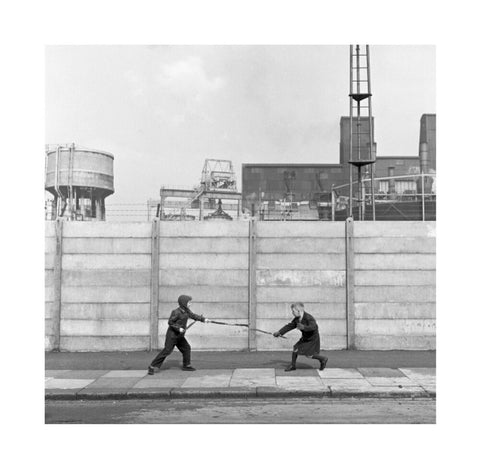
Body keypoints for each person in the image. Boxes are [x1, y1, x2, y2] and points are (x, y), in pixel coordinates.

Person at [147, 295, 210, 375]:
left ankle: (187, 365)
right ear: (184, 303)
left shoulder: (187, 311)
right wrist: (179, 328)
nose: (190, 304)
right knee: (167, 351)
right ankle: (152, 366)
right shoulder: (176, 312)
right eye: (189, 302)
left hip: (179, 336)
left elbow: (193, 316)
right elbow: (170, 322)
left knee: (186, 348)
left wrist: (204, 319)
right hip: (172, 336)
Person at [273, 302, 328, 372]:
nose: (292, 313)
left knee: (309, 355)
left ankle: (323, 359)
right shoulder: (297, 319)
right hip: (305, 338)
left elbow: (313, 327)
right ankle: (293, 366)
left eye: (293, 311)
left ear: (298, 311)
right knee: (295, 348)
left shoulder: (309, 318)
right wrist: (279, 332)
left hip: (312, 339)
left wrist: (304, 327)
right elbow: (289, 326)